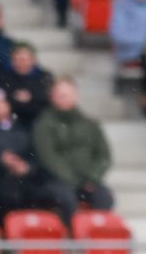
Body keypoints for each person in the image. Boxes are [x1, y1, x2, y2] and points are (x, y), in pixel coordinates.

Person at [0, 87, 69, 223]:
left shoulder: (22, 130)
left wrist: (26, 167)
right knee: (8, 195)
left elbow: (34, 157)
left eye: (3, 102)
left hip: (24, 180)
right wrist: (0, 162)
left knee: (50, 193)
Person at [32, 78, 116, 216]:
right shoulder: (43, 124)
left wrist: (92, 177)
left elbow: (104, 155)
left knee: (104, 198)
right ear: (52, 97)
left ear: (75, 95)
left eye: (67, 94)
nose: (64, 99)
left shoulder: (90, 124)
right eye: (60, 95)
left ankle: (96, 233)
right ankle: (71, 234)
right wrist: (72, 180)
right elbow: (47, 156)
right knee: (66, 199)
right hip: (57, 181)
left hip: (88, 180)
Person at [0, 44, 54, 129]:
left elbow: (48, 98)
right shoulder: (4, 76)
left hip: (38, 118)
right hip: (12, 119)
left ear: (33, 60)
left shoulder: (44, 76)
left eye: (23, 59)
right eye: (17, 59)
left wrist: (31, 97)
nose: (20, 63)